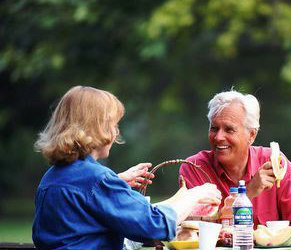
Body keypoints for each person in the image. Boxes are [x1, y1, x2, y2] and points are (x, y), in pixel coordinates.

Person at [32, 86, 221, 250]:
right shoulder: (97, 180)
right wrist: (195, 194)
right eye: (113, 125)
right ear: (98, 128)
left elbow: (81, 213)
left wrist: (115, 182)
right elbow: (156, 225)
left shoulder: (51, 178)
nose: (116, 132)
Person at [179, 90, 291, 246]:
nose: (218, 137)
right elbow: (197, 228)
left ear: (251, 135)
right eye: (214, 128)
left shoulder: (276, 164)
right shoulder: (194, 168)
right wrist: (249, 191)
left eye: (229, 129)